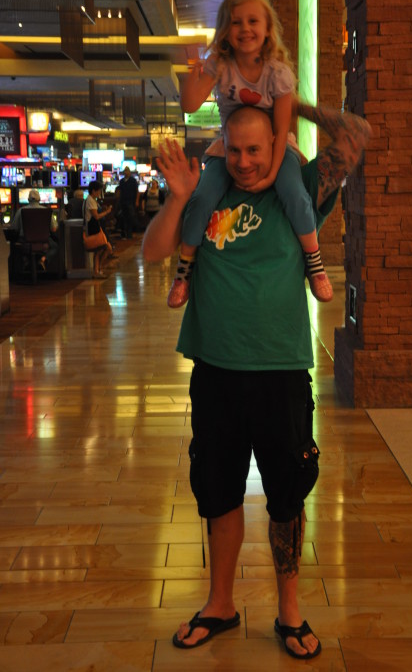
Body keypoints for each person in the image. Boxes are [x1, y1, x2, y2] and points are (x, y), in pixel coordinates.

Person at [142, 101, 371, 659]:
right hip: (216, 371)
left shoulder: (304, 190)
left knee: (287, 495)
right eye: (235, 149)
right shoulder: (208, 190)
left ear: (277, 147)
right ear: (222, 145)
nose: (245, 162)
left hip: (282, 372)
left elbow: (356, 134)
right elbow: (153, 252)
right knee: (217, 492)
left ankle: (289, 611)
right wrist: (178, 196)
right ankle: (220, 604)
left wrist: (285, 106)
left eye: (256, 150)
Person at [167, 0, 333, 309]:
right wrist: (193, 75)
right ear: (226, 30)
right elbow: (189, 104)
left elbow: (282, 128)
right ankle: (184, 270)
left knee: (295, 193)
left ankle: (314, 262)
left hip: (275, 145)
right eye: (236, 22)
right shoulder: (220, 65)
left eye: (253, 21)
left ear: (268, 28)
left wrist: (271, 174)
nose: (245, 28)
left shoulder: (278, 72)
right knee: (202, 197)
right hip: (228, 146)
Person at [83, 180, 112, 279]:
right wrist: (107, 212)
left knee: (104, 249)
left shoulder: (92, 200)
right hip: (93, 229)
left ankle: (98, 269)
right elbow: (96, 216)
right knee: (101, 249)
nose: (100, 193)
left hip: (96, 228)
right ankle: (97, 270)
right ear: (93, 191)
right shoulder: (90, 200)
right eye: (99, 191)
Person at [117, 166, 139, 239]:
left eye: (127, 171)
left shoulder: (133, 180)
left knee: (130, 217)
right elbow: (119, 191)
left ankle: (129, 233)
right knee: (124, 217)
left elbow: (137, 191)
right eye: (125, 171)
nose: (126, 172)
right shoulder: (122, 181)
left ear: (129, 172)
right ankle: (124, 232)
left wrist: (136, 201)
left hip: (130, 201)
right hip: (123, 201)